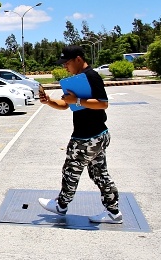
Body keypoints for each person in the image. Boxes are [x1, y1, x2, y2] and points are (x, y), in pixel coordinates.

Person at [37, 45, 122, 224]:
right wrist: (49, 101)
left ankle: (61, 205)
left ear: (78, 59)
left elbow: (103, 103)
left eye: (66, 62)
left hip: (87, 137)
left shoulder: (91, 76)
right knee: (100, 174)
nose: (64, 66)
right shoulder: (77, 80)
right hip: (97, 135)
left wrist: (76, 100)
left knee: (70, 171)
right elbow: (66, 105)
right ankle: (113, 212)